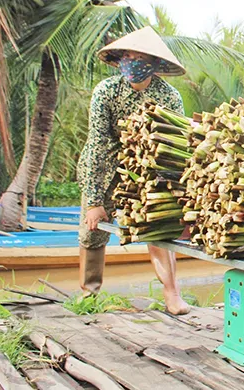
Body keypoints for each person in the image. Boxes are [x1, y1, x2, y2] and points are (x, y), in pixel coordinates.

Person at [76, 26, 190, 315]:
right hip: (103, 169)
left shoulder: (169, 97)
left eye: (139, 57)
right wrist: (93, 201)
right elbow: (98, 143)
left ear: (153, 63)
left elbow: (175, 145)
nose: (132, 61)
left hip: (147, 171)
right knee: (92, 232)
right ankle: (88, 295)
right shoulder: (106, 91)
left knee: (157, 230)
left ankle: (172, 294)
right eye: (127, 55)